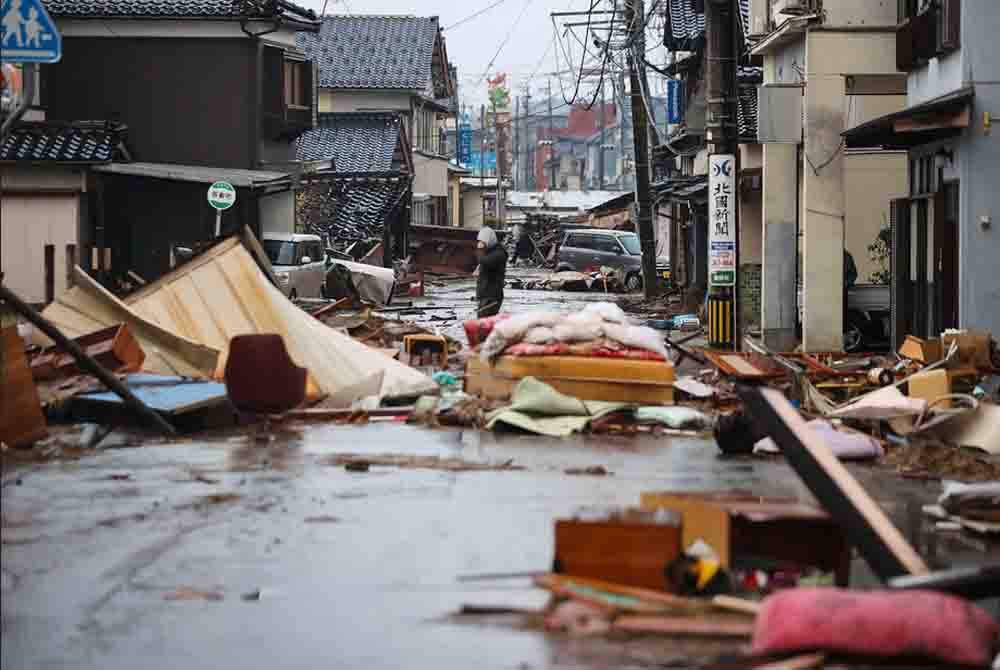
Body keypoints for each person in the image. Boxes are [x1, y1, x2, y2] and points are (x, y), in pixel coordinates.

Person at [476, 226, 507, 317]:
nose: (480, 244)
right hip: (485, 295)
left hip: (492, 296)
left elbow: (485, 262)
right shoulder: (490, 253)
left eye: (482, 241)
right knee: (484, 322)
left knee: (484, 322)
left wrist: (480, 250)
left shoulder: (498, 253)